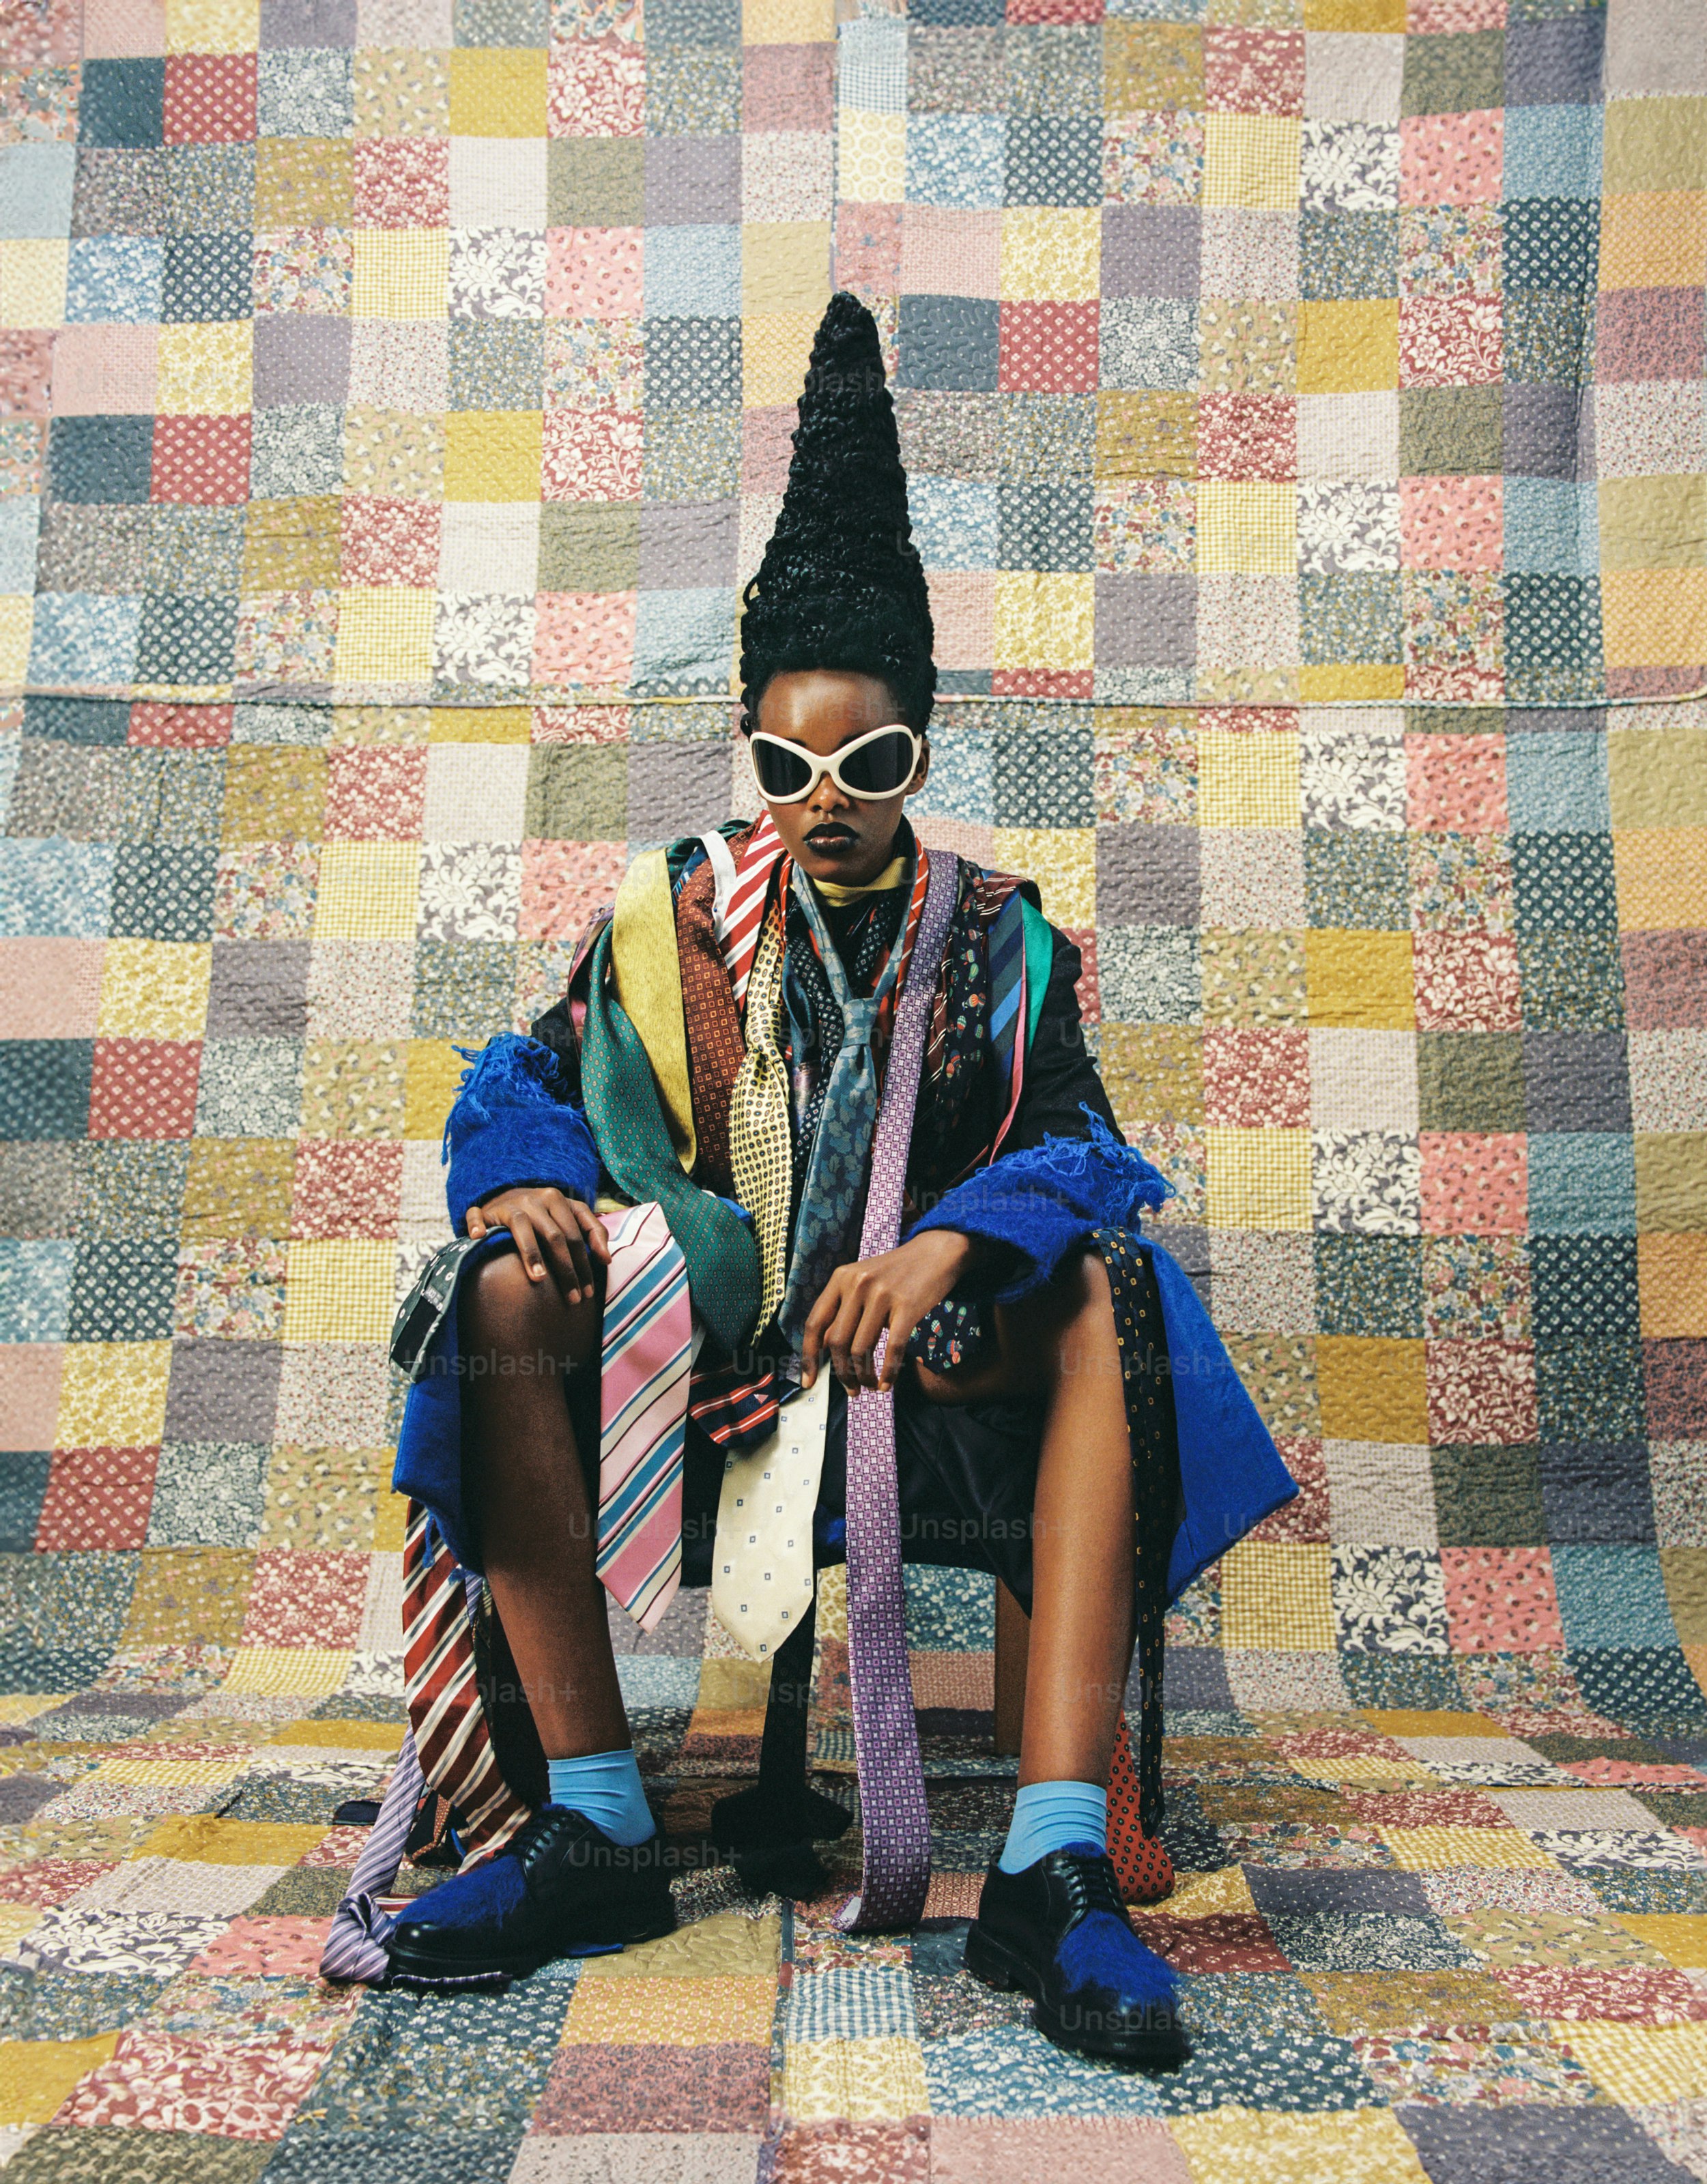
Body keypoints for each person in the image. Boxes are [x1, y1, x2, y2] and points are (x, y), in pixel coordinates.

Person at [353, 294, 1293, 2065]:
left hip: (928, 1364)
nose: (826, 801)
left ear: (919, 754)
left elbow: (1090, 1149)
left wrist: (951, 1243)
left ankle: (1049, 1864)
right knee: (496, 1288)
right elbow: (531, 1073)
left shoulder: (998, 934)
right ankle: (594, 1826)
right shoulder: (674, 913)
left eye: (870, 766)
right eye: (790, 767)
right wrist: (527, 1180)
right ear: (757, 756)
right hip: (706, 1349)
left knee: (1115, 1282)